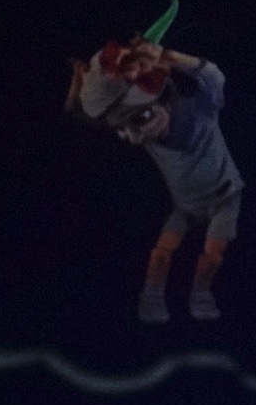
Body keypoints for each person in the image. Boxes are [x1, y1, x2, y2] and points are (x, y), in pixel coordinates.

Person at [66, 36, 243, 323]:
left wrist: (168, 55)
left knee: (212, 252)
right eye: (125, 130)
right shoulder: (145, 134)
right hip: (185, 204)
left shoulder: (199, 110)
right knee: (161, 252)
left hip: (224, 196)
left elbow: (214, 75)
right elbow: (76, 112)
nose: (135, 135)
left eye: (141, 118)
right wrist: (78, 78)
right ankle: (151, 298)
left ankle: (200, 295)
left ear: (162, 103)